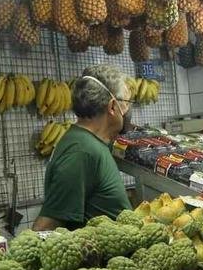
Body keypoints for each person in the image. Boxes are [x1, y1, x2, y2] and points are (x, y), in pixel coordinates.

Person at [33, 65, 133, 231]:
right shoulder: (81, 151)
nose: (128, 110)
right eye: (126, 103)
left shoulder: (92, 142)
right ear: (112, 107)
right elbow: (47, 225)